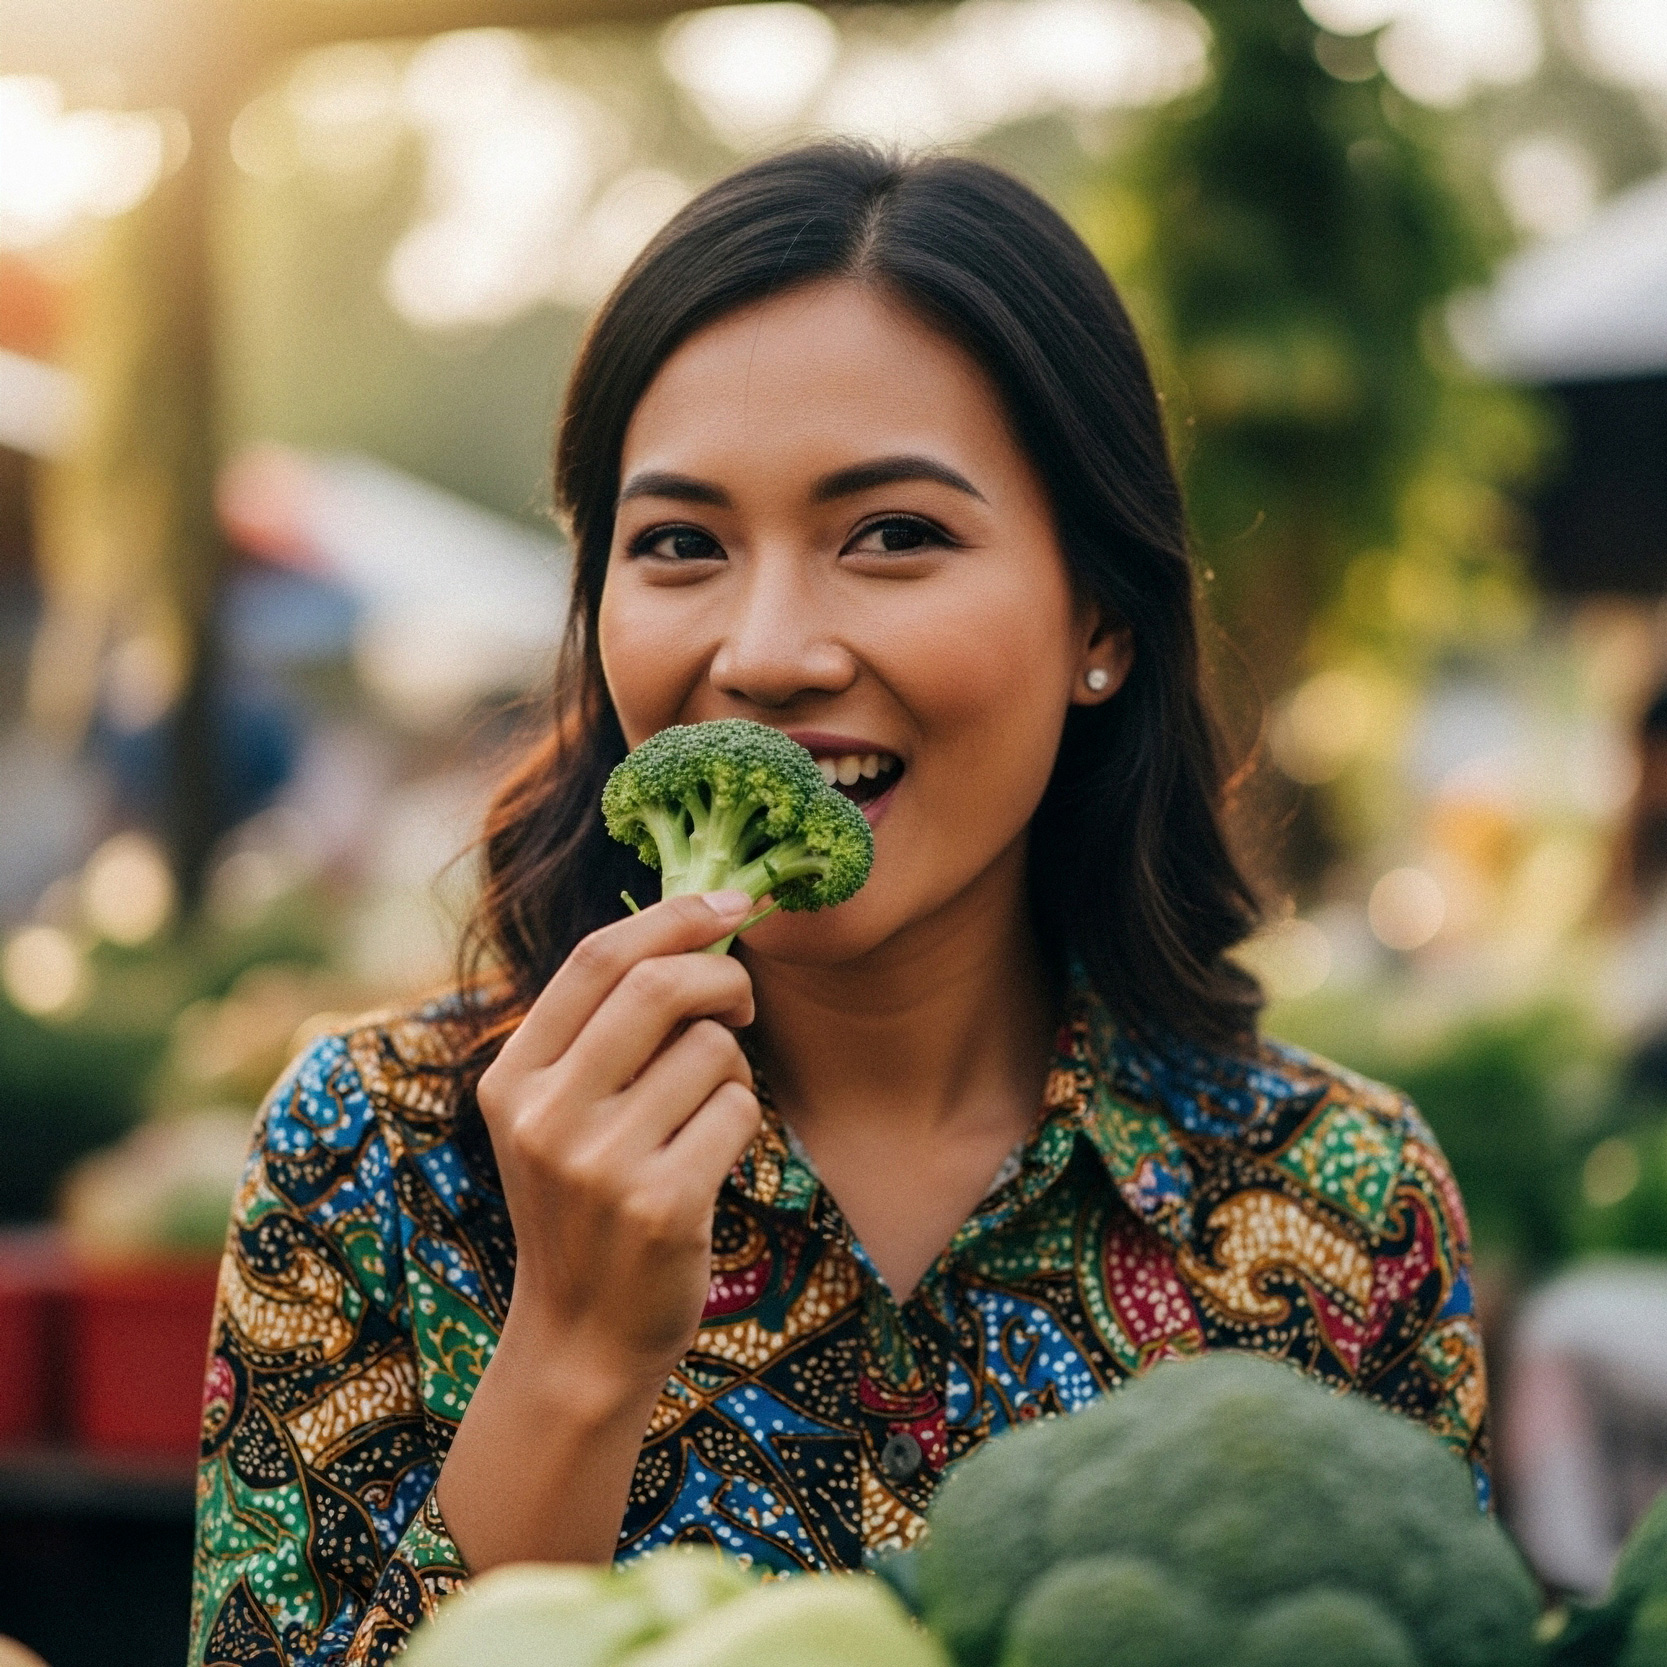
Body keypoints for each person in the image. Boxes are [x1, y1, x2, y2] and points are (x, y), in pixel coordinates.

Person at [189, 143, 1487, 1667]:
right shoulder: (373, 1152)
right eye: (678, 544)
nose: (770, 649)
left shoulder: (1342, 1197)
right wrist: (575, 1354)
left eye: (894, 535)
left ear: (1103, 622)